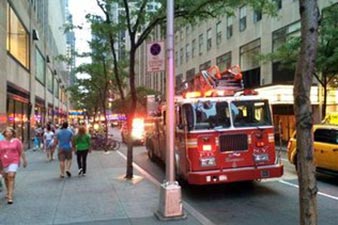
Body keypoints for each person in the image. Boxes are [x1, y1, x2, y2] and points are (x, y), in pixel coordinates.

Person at [0, 127, 27, 204]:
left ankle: (10, 197)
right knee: (6, 177)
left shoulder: (17, 141)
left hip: (14, 161)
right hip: (3, 161)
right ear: (4, 133)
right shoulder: (1, 142)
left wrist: (24, 160)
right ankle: (8, 191)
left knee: (11, 176)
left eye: (10, 132)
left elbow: (21, 151)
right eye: (7, 132)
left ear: (13, 133)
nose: (9, 133)